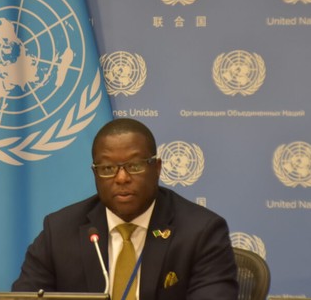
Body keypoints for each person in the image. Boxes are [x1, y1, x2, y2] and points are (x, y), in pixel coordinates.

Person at [12, 118, 238, 300]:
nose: (121, 178)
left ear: (157, 168)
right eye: (108, 168)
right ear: (95, 174)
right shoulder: (60, 231)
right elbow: (25, 296)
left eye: (134, 166)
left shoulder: (201, 232)